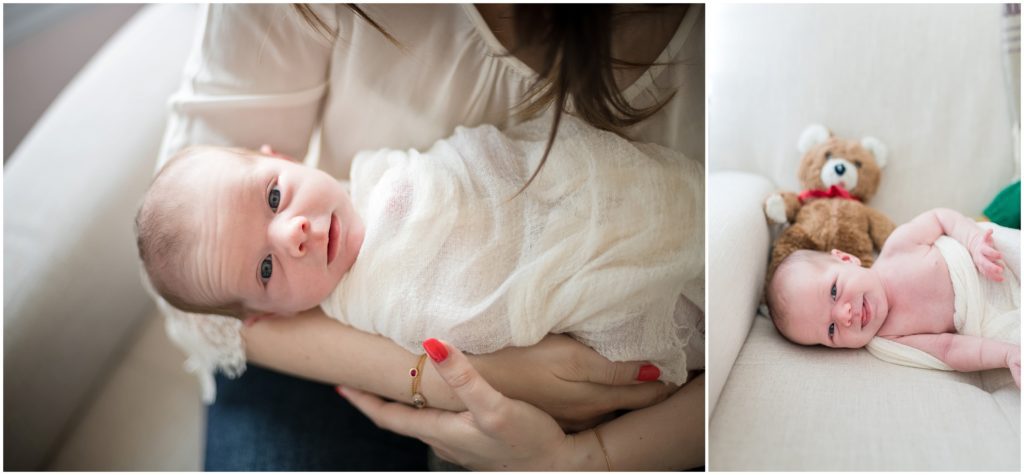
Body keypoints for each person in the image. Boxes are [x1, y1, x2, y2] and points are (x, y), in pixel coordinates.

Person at [154, 3, 703, 470]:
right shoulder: (316, 298)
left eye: (274, 198)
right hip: (324, 359)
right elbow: (192, 294)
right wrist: (445, 380)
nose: (292, 233)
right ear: (259, 311)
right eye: (266, 269)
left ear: (278, 156)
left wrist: (592, 458)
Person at [765, 208, 1021, 386]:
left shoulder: (897, 248)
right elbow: (949, 350)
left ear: (846, 258)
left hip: (993, 258)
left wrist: (974, 241)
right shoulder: (888, 341)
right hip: (994, 316)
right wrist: (1006, 355)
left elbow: (941, 218)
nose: (844, 316)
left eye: (833, 291)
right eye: (831, 330)